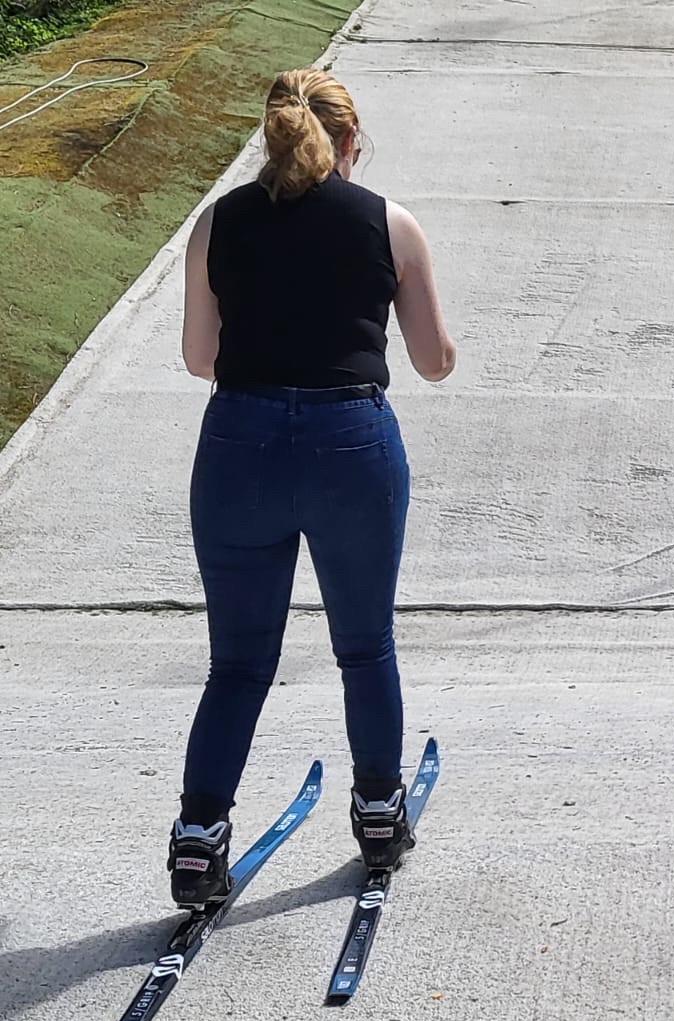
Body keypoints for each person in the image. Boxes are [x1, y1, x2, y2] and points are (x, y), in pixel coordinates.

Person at [169, 67, 457, 907]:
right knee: (363, 645)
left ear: (270, 139)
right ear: (351, 142)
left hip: (239, 447)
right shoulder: (389, 224)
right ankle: (376, 813)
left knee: (237, 663)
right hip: (350, 445)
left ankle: (198, 840)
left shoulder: (215, 224)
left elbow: (198, 359)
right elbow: (434, 363)